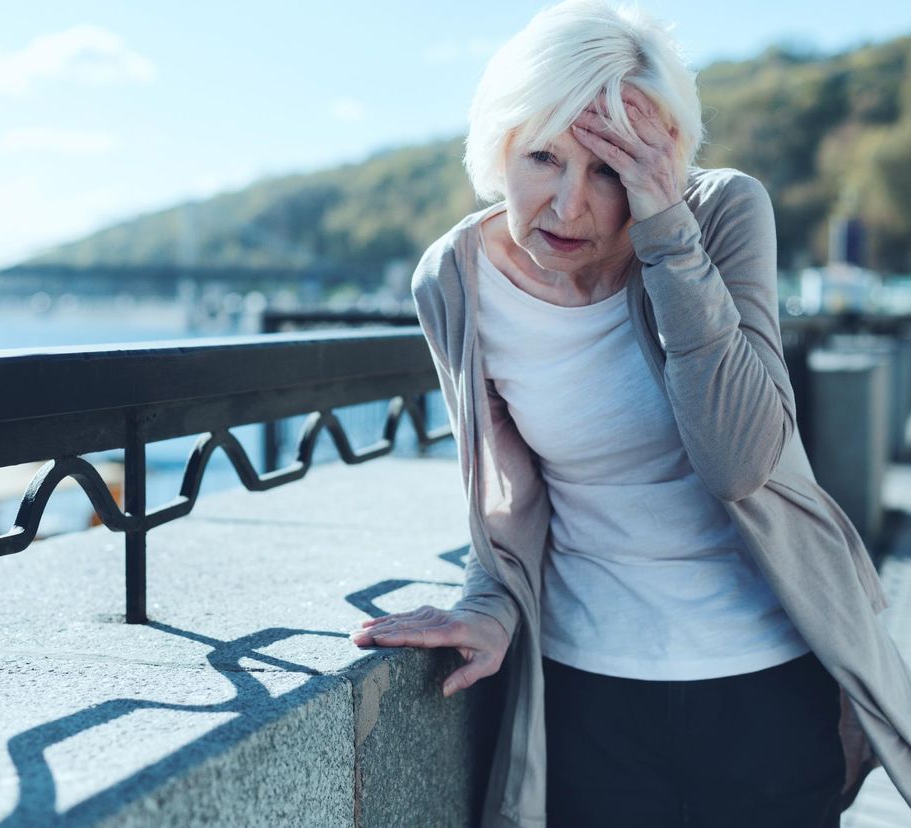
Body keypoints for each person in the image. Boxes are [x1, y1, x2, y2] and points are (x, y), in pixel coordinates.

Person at [350, 2, 911, 826]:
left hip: (766, 683)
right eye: (543, 157)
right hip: (589, 694)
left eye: (610, 169)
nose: (567, 205)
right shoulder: (455, 280)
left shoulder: (720, 215)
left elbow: (739, 460)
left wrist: (668, 232)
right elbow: (507, 489)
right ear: (499, 144)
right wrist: (488, 603)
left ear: (664, 161)